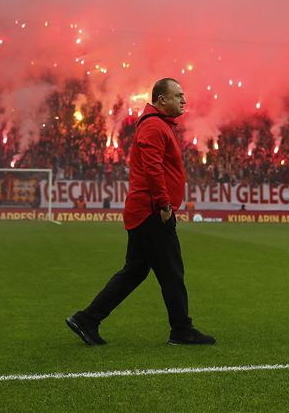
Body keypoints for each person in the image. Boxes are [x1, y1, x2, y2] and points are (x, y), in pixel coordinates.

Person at [67, 78, 215, 346]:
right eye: (178, 96)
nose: (184, 100)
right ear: (162, 100)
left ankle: (87, 319)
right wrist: (164, 204)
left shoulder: (158, 125)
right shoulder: (154, 126)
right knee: (171, 271)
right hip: (153, 212)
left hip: (145, 210)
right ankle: (181, 330)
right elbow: (152, 168)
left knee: (135, 272)